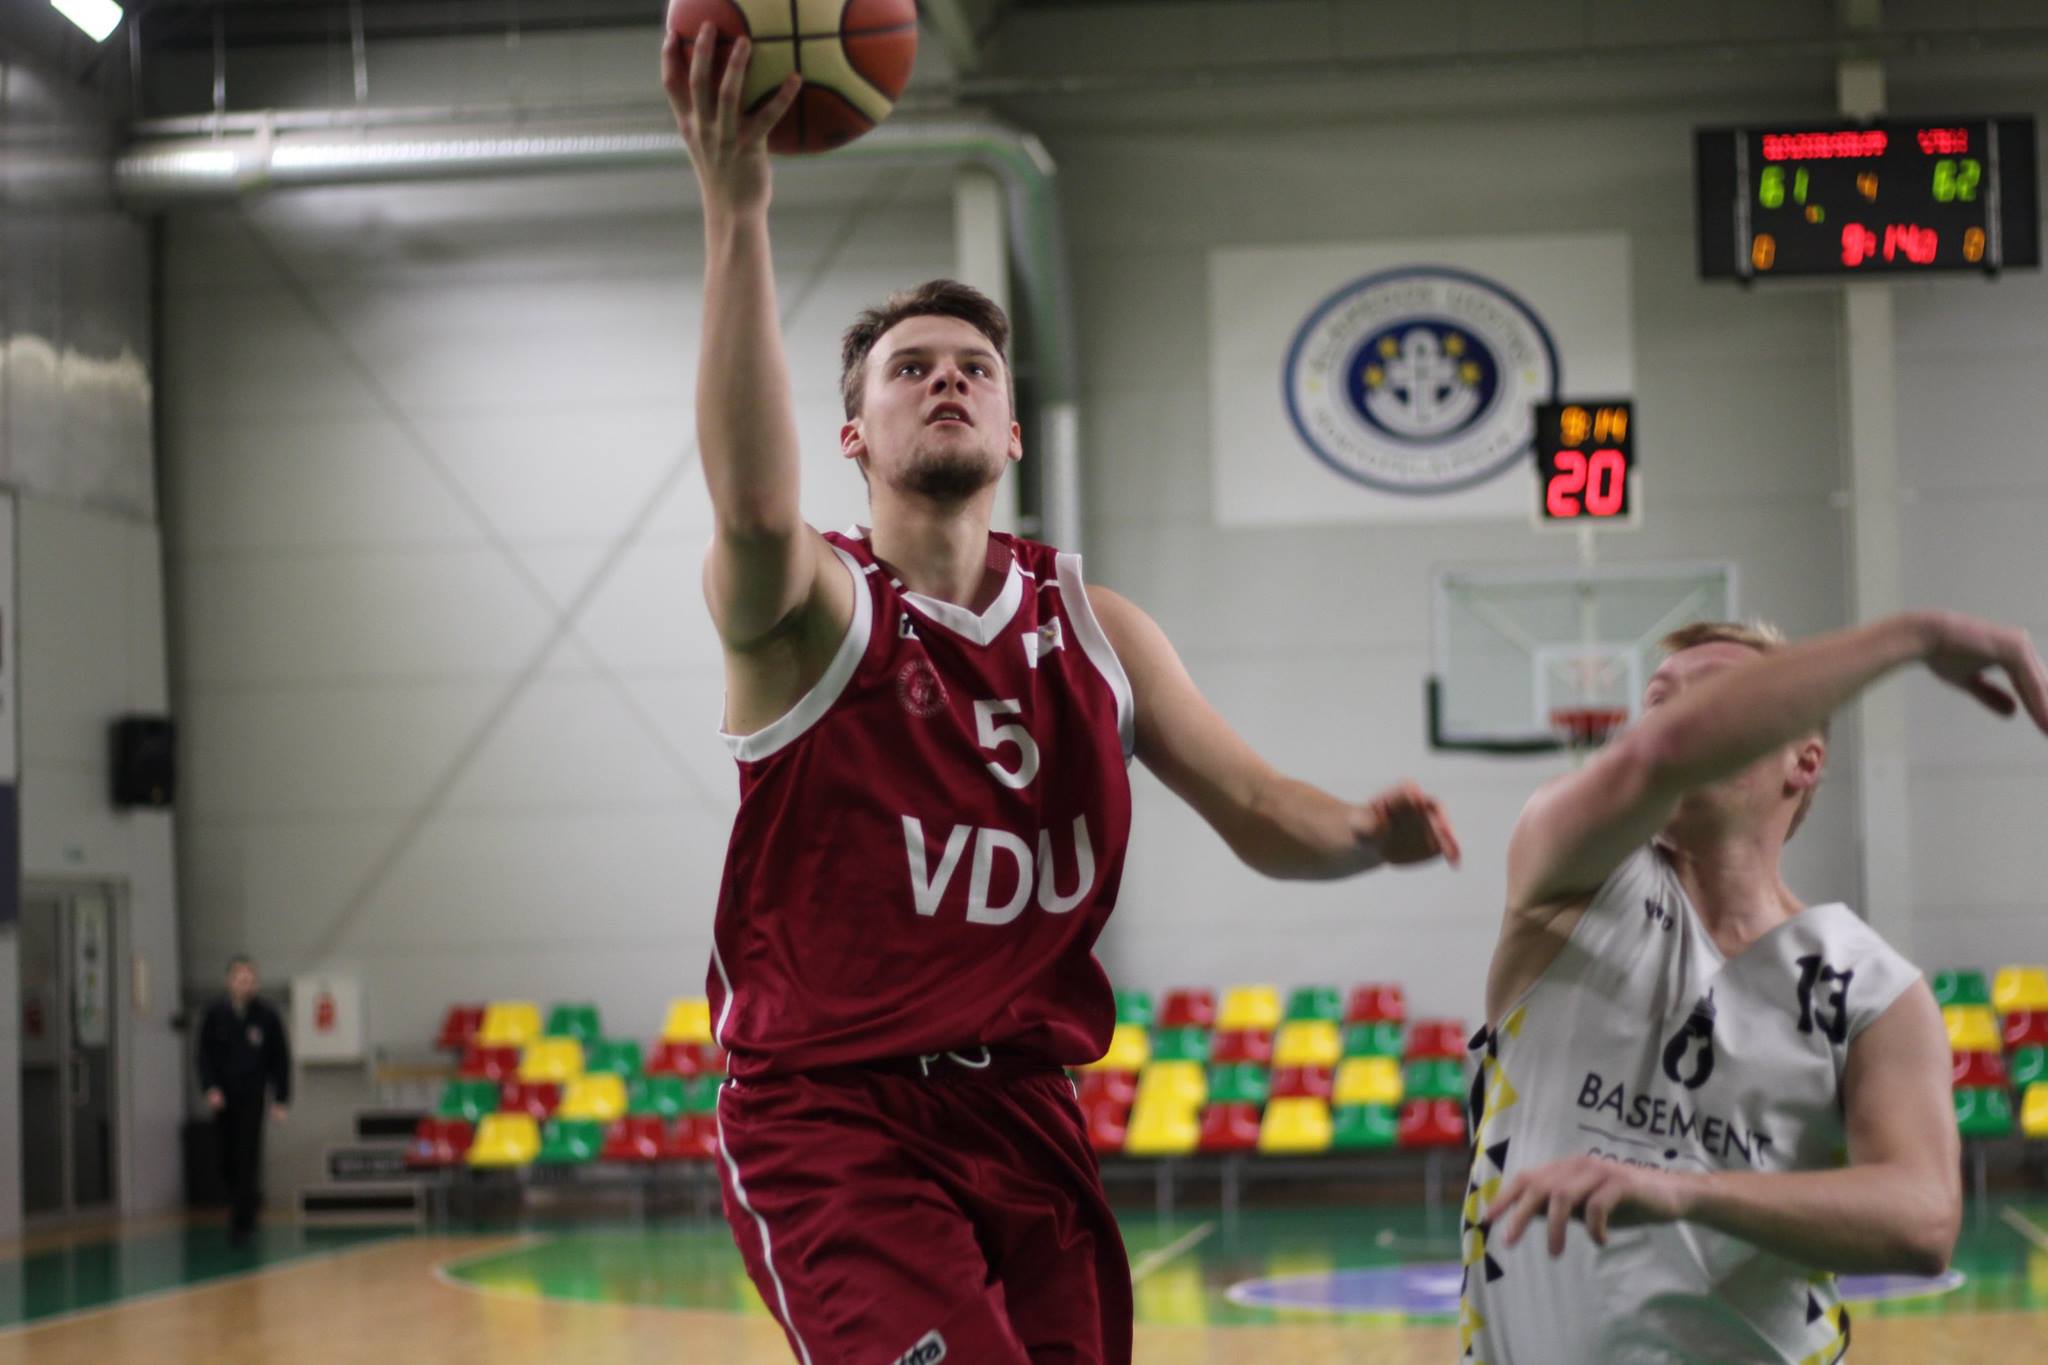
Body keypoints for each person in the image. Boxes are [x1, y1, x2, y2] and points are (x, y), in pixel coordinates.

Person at [661, 26, 1462, 1365]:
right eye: (909, 369)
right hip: (833, 1115)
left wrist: (1360, 836)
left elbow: (1258, 804)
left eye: (975, 368)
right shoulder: (813, 613)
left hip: (1026, 1112)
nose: (948, 379)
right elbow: (748, 509)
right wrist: (736, 210)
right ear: (852, 435)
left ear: (1012, 430)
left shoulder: (1095, 628)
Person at [1462, 614, 2048, 1363]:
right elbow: (1660, 756)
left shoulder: (1875, 988)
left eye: (1720, 696)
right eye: (1658, 698)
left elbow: (1924, 1220)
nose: (1676, 716)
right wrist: (1914, 638)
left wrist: (1686, 1192)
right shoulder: (1568, 876)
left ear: (1803, 761)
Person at [197, 955, 291, 1246]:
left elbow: (280, 1059)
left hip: (252, 1095)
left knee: (247, 1157)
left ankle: (243, 1223)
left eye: (250, 979)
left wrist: (281, 1098)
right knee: (225, 1159)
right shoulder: (215, 1015)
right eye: (240, 978)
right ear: (230, 981)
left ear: (256, 983)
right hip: (224, 1098)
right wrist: (210, 1087)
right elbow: (203, 1055)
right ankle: (244, 1201)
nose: (245, 984)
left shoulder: (267, 1016)